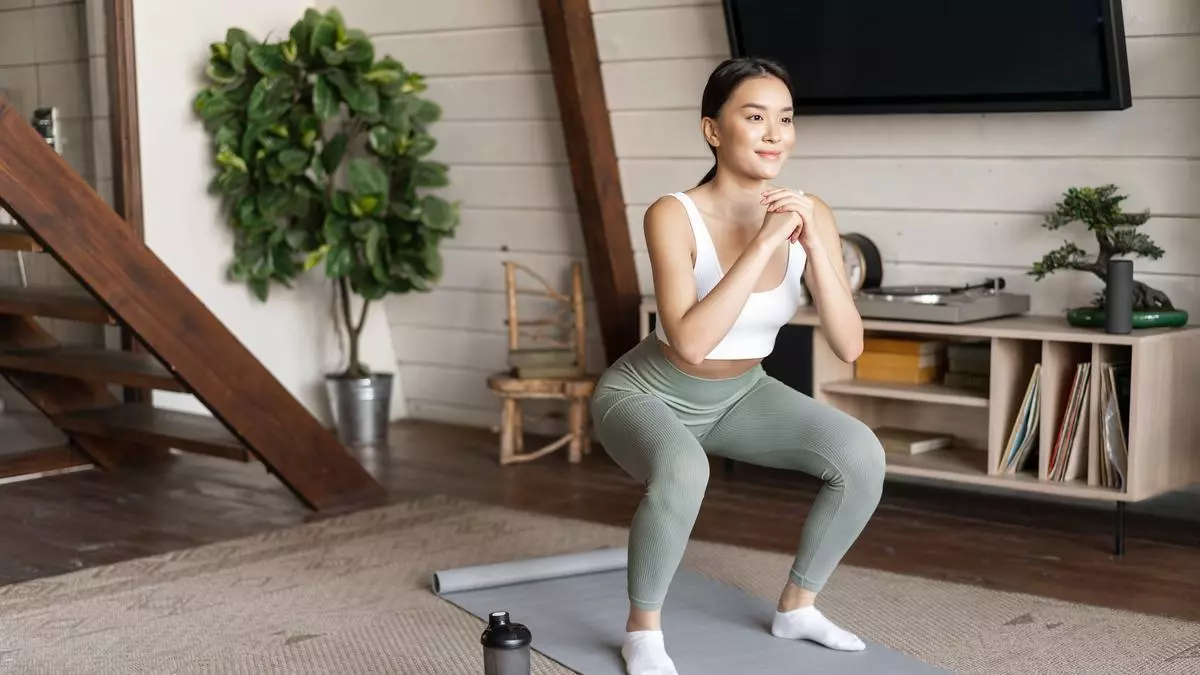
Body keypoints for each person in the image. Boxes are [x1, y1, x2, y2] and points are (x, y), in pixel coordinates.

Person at [590, 56, 887, 675]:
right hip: (646, 393)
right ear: (713, 130)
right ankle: (642, 632)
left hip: (741, 396)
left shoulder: (811, 211)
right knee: (683, 468)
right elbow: (690, 344)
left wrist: (815, 246)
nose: (775, 134)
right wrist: (765, 240)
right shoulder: (673, 214)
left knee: (860, 454)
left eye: (786, 118)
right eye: (755, 117)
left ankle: (798, 607)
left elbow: (850, 346)